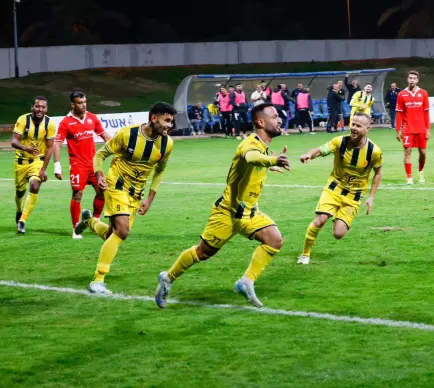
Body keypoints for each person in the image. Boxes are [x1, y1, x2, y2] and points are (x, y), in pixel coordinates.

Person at [155, 103, 290, 309]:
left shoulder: (262, 145)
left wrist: (268, 165)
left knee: (274, 239)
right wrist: (272, 161)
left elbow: (251, 165)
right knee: (203, 253)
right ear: (260, 122)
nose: (279, 119)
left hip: (248, 213)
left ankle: (246, 281)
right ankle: (168, 277)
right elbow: (251, 157)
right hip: (227, 212)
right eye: (274, 116)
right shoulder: (249, 143)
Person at [73, 102, 176, 295]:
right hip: (116, 184)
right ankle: (98, 280)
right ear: (154, 118)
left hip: (136, 194)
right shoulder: (128, 134)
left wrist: (150, 199)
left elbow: (159, 172)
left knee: (112, 234)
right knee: (122, 231)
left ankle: (88, 221)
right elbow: (100, 154)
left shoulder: (167, 144)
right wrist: (99, 174)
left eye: (171, 121)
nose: (169, 125)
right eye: (166, 120)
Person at [296, 112, 383, 265]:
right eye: (353, 124)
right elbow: (320, 149)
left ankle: (338, 216)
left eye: (358, 126)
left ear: (367, 129)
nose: (354, 128)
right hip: (334, 188)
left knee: (338, 234)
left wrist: (371, 197)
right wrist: (309, 155)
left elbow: (378, 174)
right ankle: (305, 254)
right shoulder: (339, 141)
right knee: (319, 221)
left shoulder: (374, 151)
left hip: (354, 195)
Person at [56, 91, 112, 239]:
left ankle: (95, 219)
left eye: (85, 102)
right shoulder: (65, 123)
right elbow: (57, 144)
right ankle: (76, 228)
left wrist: (118, 147)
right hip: (77, 165)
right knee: (77, 195)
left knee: (102, 191)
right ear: (73, 104)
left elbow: (105, 136)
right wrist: (57, 164)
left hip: (94, 164)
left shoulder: (92, 118)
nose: (84, 105)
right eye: (80, 103)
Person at [11, 96, 59, 234]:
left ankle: (22, 221)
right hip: (20, 161)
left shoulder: (50, 123)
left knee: (34, 186)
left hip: (37, 161)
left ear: (46, 109)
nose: (40, 110)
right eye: (37, 106)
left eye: (43, 107)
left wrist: (44, 169)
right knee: (20, 191)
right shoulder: (23, 120)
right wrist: (26, 148)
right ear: (32, 107)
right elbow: (13, 141)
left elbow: (50, 148)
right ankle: (19, 210)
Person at [396, 70, 431, 185]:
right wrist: (398, 130)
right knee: (407, 151)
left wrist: (428, 129)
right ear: (407, 79)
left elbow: (426, 113)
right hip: (407, 129)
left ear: (417, 80)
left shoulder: (424, 93)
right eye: (410, 78)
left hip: (421, 128)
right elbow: (399, 113)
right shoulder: (401, 95)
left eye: (414, 78)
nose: (412, 80)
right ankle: (409, 177)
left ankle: (421, 171)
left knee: (423, 153)